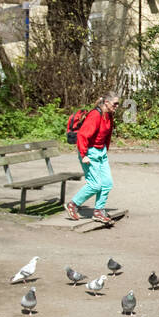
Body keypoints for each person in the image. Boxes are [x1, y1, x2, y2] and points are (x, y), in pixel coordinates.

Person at [67, 93, 120, 225]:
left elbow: (107, 134)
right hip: (89, 152)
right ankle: (73, 204)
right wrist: (84, 155)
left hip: (101, 152)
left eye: (118, 103)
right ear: (106, 103)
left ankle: (99, 211)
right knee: (95, 184)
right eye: (115, 103)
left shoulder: (109, 115)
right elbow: (82, 136)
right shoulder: (95, 115)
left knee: (107, 183)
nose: (117, 106)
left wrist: (104, 150)